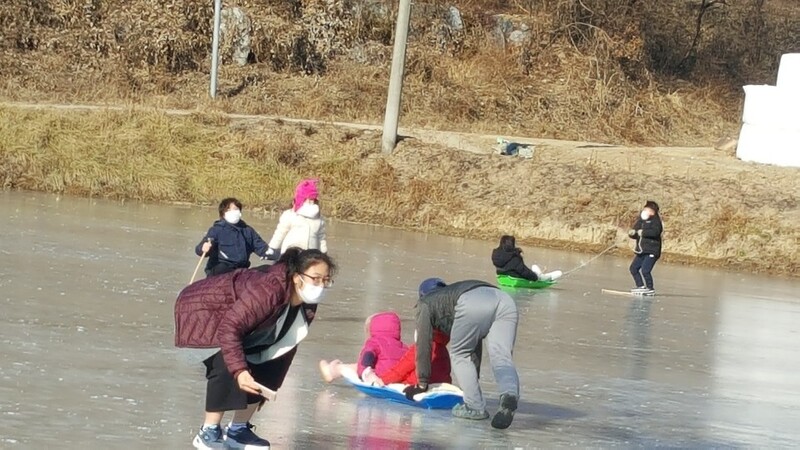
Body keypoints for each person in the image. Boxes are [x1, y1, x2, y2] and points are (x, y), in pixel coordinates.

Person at [174, 248, 336, 449]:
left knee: (272, 362)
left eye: (326, 280)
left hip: (241, 325)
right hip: (204, 312)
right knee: (227, 360)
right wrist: (240, 371)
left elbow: (286, 343)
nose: (321, 285)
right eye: (316, 278)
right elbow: (229, 329)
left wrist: (272, 380)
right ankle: (209, 431)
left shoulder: (306, 302)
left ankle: (238, 430)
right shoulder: (268, 290)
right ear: (297, 277)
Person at [404, 278, 520, 430]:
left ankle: (474, 407)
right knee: (502, 356)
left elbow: (423, 342)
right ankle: (509, 395)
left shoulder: (425, 302)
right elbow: (474, 341)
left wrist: (422, 383)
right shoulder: (452, 294)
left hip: (474, 303)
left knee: (459, 354)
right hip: (504, 300)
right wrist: (473, 378)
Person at [318, 312, 407, 386]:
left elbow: (366, 358)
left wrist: (365, 372)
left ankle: (333, 370)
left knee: (355, 367)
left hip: (377, 377)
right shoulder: (403, 347)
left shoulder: (374, 343)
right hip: (399, 379)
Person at [195, 198, 270, 277]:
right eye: (230, 210)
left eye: (236, 209)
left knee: (265, 270)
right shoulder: (216, 230)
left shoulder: (248, 231)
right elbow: (200, 249)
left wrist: (281, 254)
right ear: (223, 213)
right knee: (222, 269)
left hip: (241, 271)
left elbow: (263, 249)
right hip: (220, 271)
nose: (234, 212)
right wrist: (203, 248)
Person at [266, 179, 328, 258]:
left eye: (313, 200)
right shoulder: (290, 215)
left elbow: (321, 237)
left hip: (311, 256)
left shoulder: (319, 219)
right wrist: (272, 247)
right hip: (290, 254)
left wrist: (324, 252)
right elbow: (280, 232)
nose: (311, 202)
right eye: (308, 200)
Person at [628, 200, 663, 295]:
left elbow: (655, 232)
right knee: (633, 268)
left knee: (645, 270)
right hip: (641, 250)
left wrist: (643, 233)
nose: (645, 211)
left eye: (648, 209)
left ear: (653, 211)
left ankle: (650, 288)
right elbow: (636, 231)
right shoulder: (641, 221)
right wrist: (632, 233)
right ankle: (640, 286)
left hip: (652, 250)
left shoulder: (656, 221)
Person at [491, 235, 562, 281]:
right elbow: (523, 271)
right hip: (517, 277)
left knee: (535, 267)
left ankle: (538, 273)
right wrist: (535, 277)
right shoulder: (514, 257)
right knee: (559, 273)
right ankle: (542, 276)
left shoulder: (495, 254)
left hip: (503, 275)